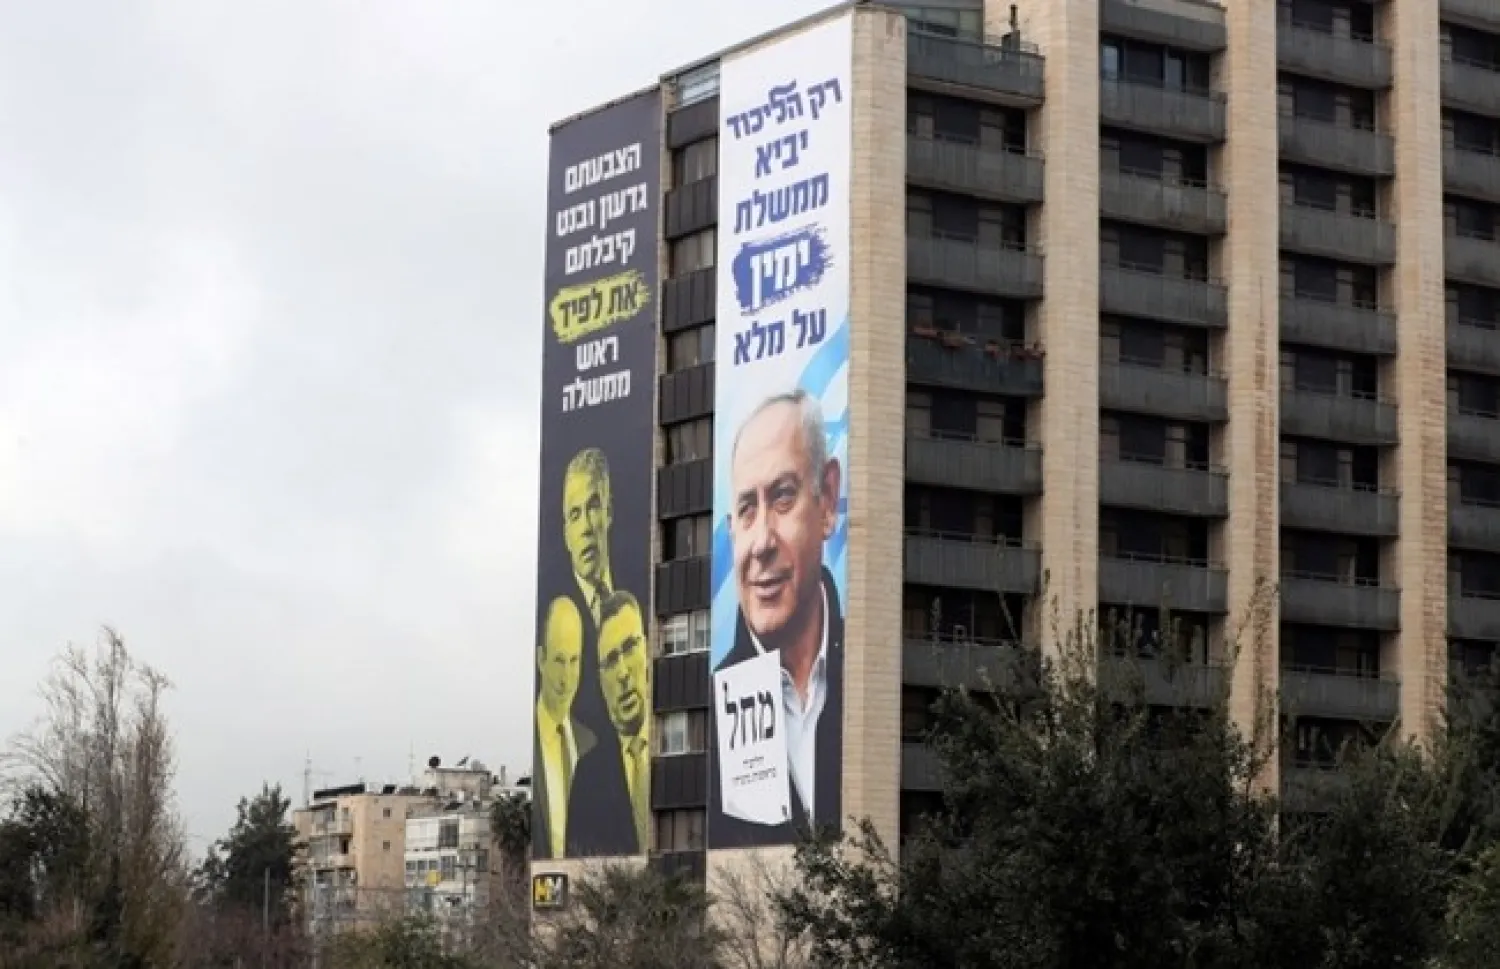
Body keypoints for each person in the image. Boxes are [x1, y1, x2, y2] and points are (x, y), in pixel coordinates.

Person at [710, 388, 844, 847]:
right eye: (747, 510)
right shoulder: (714, 707)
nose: (762, 542)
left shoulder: (867, 674)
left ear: (827, 500)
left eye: (783, 498)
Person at [568, 590, 652, 856]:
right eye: (610, 661)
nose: (623, 673)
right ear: (600, 680)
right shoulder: (588, 777)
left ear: (648, 649)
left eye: (630, 648)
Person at [533, 596, 595, 860]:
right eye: (559, 660)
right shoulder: (533, 744)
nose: (566, 678)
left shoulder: (591, 744)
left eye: (574, 661)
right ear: (541, 659)